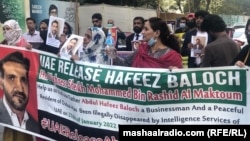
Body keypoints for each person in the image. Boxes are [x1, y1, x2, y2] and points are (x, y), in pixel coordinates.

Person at [107, 17, 182, 69]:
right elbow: (125, 63)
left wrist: (175, 72)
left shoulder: (173, 56)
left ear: (157, 33)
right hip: (138, 91)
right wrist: (114, 56)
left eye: (146, 29)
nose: (142, 32)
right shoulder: (141, 50)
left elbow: (179, 82)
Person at [0, 51, 39, 141]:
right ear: (1, 83)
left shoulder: (36, 126)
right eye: (11, 78)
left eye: (23, 80)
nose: (20, 89)